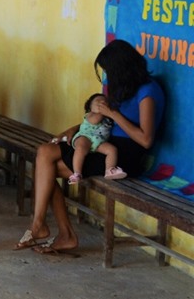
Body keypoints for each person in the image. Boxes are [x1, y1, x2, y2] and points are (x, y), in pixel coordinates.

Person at [15, 39, 165, 254]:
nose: (108, 78)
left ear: (122, 69)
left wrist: (114, 114)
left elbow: (146, 140)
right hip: (103, 142)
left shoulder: (148, 92)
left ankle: (55, 231)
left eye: (109, 72)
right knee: (45, 151)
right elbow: (101, 120)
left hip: (123, 154)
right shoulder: (125, 88)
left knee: (45, 170)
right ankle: (42, 225)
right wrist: (72, 130)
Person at [53, 93, 126, 184]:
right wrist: (103, 112)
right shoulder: (90, 115)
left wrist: (110, 113)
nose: (102, 103)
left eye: (105, 102)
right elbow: (95, 120)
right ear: (90, 108)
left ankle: (110, 170)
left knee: (112, 150)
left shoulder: (107, 120)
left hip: (98, 141)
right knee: (81, 148)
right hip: (84, 137)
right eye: (98, 102)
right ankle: (77, 173)